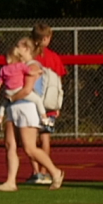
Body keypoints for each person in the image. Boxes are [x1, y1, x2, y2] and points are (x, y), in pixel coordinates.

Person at [0, 37, 63, 191]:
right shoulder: (16, 66)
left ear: (26, 48)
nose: (16, 49)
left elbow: (26, 90)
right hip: (13, 107)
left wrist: (11, 98)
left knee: (29, 148)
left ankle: (55, 172)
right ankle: (11, 181)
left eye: (18, 46)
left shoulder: (32, 66)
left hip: (26, 108)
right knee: (10, 144)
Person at [31, 23, 68, 180]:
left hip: (31, 104)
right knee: (45, 138)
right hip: (48, 105)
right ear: (46, 38)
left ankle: (36, 172)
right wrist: (57, 104)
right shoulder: (53, 57)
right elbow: (59, 82)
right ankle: (44, 171)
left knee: (31, 140)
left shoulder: (29, 56)